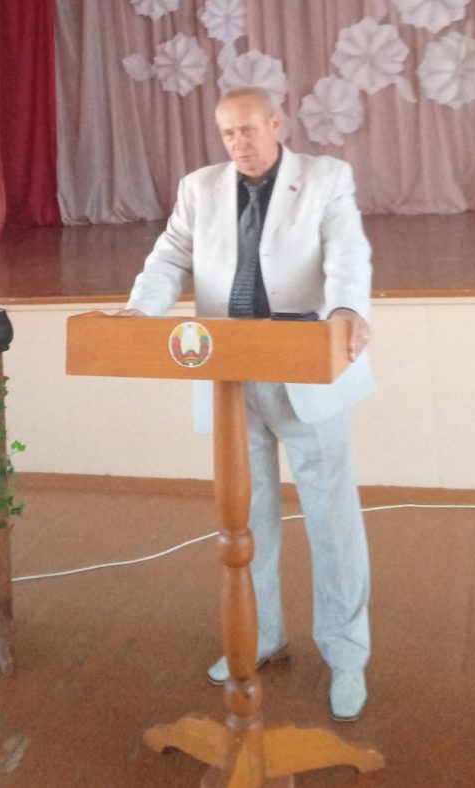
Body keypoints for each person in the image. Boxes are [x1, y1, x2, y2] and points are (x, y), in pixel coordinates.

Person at [117, 87, 375, 722]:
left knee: (332, 522)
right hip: (228, 374)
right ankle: (260, 637)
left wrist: (347, 307)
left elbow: (348, 250)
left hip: (306, 368)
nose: (240, 143)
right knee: (247, 519)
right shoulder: (199, 188)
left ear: (276, 124)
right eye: (229, 133)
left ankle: (346, 655)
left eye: (249, 130)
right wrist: (138, 312)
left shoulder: (325, 178)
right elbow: (169, 257)